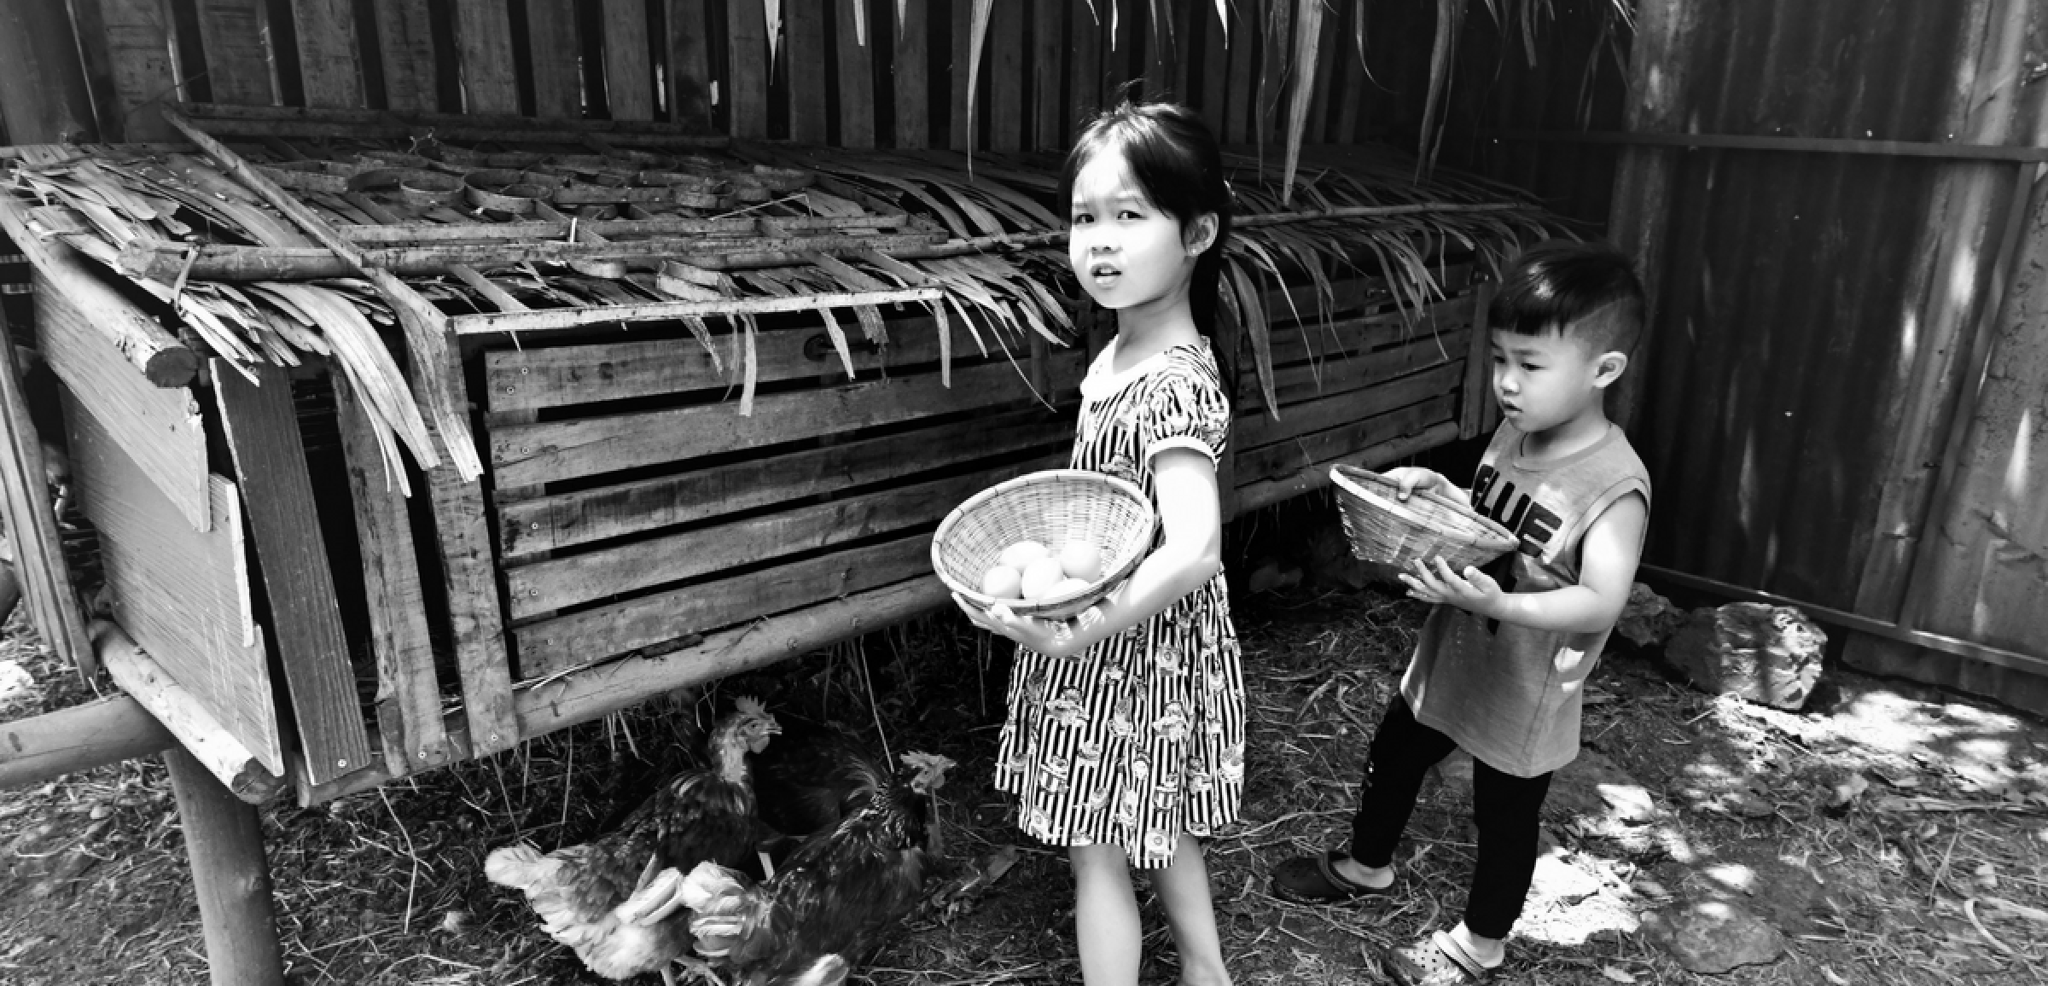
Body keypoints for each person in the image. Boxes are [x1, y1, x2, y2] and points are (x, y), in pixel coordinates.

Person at [1269, 241, 1652, 986]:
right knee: (1395, 753)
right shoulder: (1514, 431)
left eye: (1531, 366)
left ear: (1603, 371)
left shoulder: (1614, 484)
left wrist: (1500, 602)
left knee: (1503, 816)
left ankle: (1481, 944)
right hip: (1456, 650)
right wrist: (1435, 488)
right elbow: (1492, 521)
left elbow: (1602, 599)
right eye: (1500, 358)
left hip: (1526, 683)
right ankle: (1365, 865)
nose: (1506, 382)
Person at [952, 101, 1243, 986]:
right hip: (1124, 633)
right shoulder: (1117, 358)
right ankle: (1206, 972)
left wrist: (1081, 629)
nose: (1100, 241)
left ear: (1197, 232)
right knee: (1156, 822)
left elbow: (1195, 547)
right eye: (1085, 217)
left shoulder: (1173, 383)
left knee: (1098, 853)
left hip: (1128, 649)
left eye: (1130, 215)